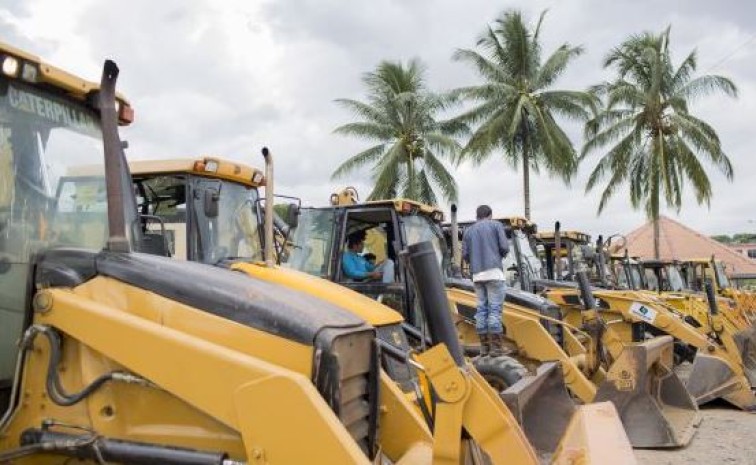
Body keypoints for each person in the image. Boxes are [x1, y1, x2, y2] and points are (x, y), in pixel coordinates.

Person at [462, 205, 509, 357]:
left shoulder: (468, 231)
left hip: (477, 275)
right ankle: (496, 348)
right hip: (494, 273)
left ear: (477, 216)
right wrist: (498, 255)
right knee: (494, 310)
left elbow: (465, 255)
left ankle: (484, 348)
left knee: (481, 310)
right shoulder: (496, 225)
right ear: (490, 215)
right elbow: (504, 247)